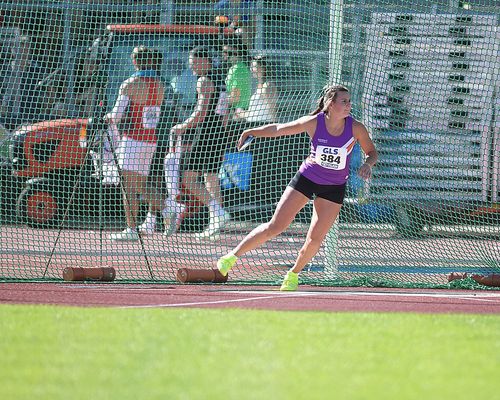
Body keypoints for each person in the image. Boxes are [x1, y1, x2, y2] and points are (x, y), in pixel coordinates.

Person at [216, 85, 378, 291]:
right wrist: (253, 131)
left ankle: (293, 274)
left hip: (334, 186)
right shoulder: (314, 123)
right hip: (307, 178)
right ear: (330, 103)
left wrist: (367, 164)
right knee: (276, 226)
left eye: (349, 101)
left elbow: (372, 152)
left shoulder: (356, 128)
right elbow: (279, 128)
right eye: (344, 101)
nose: (349, 105)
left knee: (315, 239)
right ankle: (231, 257)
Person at [170, 46, 231, 239]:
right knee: (211, 179)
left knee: (188, 178)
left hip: (205, 134)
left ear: (206, 61)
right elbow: (225, 114)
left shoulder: (204, 81)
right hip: (219, 133)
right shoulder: (220, 81)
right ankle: (215, 225)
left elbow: (201, 112)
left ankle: (218, 213)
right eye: (191, 63)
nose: (192, 66)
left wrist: (182, 126)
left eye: (195, 62)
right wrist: (222, 134)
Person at [107, 46, 166, 241]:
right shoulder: (159, 84)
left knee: (128, 187)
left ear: (135, 62)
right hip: (151, 140)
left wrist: (106, 117)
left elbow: (116, 115)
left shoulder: (130, 84)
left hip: (133, 139)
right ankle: (168, 209)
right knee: (141, 184)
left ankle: (131, 229)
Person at [233, 55, 277, 125]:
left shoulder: (268, 86)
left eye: (254, 67)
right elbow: (254, 113)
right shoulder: (259, 86)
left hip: (264, 127)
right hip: (254, 126)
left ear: (263, 68)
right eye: (251, 67)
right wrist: (241, 113)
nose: (251, 70)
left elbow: (272, 112)